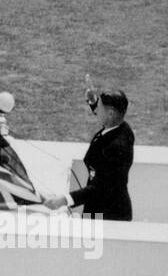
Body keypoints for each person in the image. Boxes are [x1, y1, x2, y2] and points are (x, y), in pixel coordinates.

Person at [42, 87, 133, 220]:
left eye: (99, 108)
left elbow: (99, 189)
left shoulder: (116, 147)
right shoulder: (121, 128)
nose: (96, 110)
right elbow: (106, 114)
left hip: (108, 214)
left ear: (111, 113)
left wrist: (64, 200)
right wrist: (93, 101)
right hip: (97, 206)